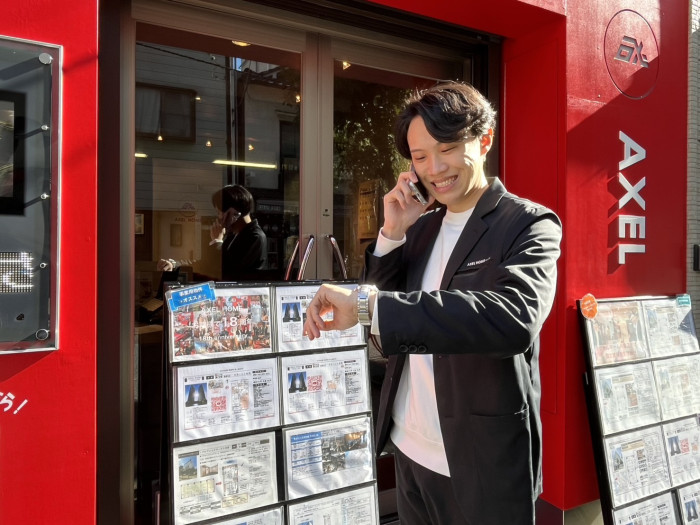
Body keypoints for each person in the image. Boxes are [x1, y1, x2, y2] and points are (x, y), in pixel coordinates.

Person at [303, 81, 562, 525]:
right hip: (408, 446)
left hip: (480, 461)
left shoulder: (528, 223)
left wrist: (370, 306)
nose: (435, 169)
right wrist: (392, 232)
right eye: (420, 157)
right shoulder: (421, 228)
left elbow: (512, 319)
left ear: (484, 140)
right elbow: (383, 313)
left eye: (447, 148)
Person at [158, 184, 267, 281]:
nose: (218, 217)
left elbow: (225, 271)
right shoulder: (233, 235)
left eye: (219, 212)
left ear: (234, 213)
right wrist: (174, 265)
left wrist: (217, 242)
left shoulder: (255, 237)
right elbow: (205, 264)